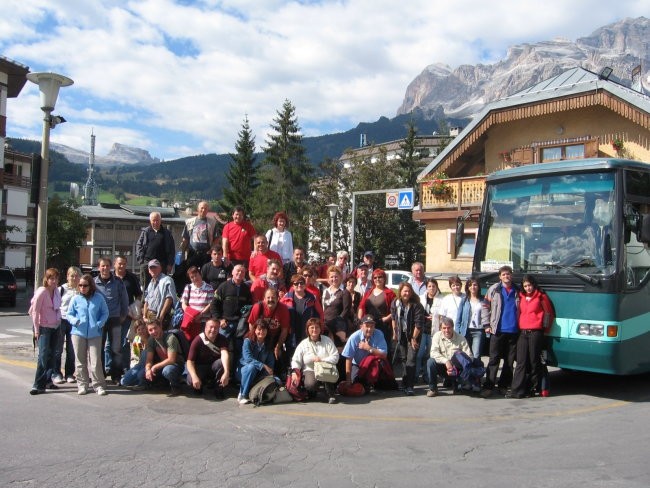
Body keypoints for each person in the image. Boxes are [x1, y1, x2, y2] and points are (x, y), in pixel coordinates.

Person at [509, 275, 554, 398]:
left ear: (533, 285)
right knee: (521, 362)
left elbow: (548, 314)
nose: (528, 288)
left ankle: (532, 388)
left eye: (529, 285)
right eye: (525, 286)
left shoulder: (541, 297)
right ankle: (517, 390)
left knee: (534, 362)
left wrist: (544, 330)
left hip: (536, 333)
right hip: (523, 333)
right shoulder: (521, 297)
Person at [67, 274, 110, 396]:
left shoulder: (98, 298)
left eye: (85, 285)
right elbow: (69, 313)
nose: (82, 288)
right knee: (80, 361)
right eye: (80, 285)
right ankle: (82, 384)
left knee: (95, 361)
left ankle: (99, 385)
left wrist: (99, 324)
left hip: (94, 333)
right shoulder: (75, 299)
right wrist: (75, 321)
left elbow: (105, 313)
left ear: (91, 286)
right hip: (78, 333)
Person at [481, 265, 520, 397]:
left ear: (511, 275)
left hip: (513, 331)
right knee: (494, 360)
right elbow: (485, 307)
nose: (506, 276)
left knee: (509, 362)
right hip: (497, 330)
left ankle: (503, 386)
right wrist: (486, 324)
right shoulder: (494, 289)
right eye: (503, 274)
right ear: (500, 277)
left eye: (508, 274)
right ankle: (489, 386)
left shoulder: (518, 290)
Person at [94, 256, 129, 383]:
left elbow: (124, 300)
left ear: (111, 267)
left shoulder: (118, 282)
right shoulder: (94, 282)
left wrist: (123, 315)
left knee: (116, 349)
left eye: (107, 266)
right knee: (99, 348)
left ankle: (116, 376)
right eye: (102, 266)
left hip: (115, 319)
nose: (105, 268)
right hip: (100, 321)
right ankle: (101, 374)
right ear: (99, 268)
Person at [28, 268, 62, 395]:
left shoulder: (57, 291)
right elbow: (35, 312)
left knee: (52, 356)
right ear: (46, 280)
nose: (54, 281)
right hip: (43, 327)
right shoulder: (42, 292)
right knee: (43, 356)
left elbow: (58, 308)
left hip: (55, 326)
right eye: (51, 278)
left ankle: (48, 381)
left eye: (56, 278)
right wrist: (36, 330)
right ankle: (37, 385)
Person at [290, 318, 340, 404]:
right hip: (310, 369)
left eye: (317, 327)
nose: (314, 330)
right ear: (307, 330)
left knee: (327, 374)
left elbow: (335, 356)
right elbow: (296, 360)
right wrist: (294, 372)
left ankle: (330, 394)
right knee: (310, 385)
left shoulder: (327, 341)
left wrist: (322, 360)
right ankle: (312, 391)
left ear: (320, 329)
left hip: (326, 368)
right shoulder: (303, 343)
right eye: (312, 328)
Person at [426, 316, 474, 397]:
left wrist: (456, 364)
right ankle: (433, 389)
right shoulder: (437, 336)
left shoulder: (461, 338)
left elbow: (470, 356)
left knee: (464, 361)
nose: (446, 330)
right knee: (430, 362)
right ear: (441, 328)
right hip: (442, 365)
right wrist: (446, 361)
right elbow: (433, 353)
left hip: (456, 369)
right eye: (444, 328)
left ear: (453, 327)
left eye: (449, 328)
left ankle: (458, 386)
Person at [390, 282, 425, 395]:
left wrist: (414, 338)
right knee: (404, 359)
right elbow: (394, 318)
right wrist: (395, 333)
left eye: (409, 291)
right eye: (405, 291)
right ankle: (404, 383)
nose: (407, 293)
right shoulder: (396, 303)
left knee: (411, 360)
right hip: (401, 335)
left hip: (413, 335)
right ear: (400, 292)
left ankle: (410, 386)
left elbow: (418, 324)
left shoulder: (416, 305)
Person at [247, 287, 291, 376]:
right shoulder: (258, 307)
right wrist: (256, 340)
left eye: (273, 298)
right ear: (264, 299)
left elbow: (284, 330)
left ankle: (277, 376)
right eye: (268, 298)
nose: (270, 300)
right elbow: (251, 324)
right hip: (259, 337)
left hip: (274, 338)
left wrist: (278, 346)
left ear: (278, 298)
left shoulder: (283, 309)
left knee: (279, 355)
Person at [280, 273, 323, 360]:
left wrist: (319, 329)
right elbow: (280, 313)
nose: (299, 285)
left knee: (306, 356)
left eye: (301, 283)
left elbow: (320, 315)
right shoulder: (286, 298)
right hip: (291, 333)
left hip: (307, 332)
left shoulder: (312, 298)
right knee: (292, 356)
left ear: (305, 284)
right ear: (293, 285)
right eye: (296, 283)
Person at [185, 319, 230, 399]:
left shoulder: (222, 339)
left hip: (214, 367)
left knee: (222, 363)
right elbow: (189, 361)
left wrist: (226, 372)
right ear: (205, 328)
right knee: (191, 379)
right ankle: (199, 386)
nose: (213, 330)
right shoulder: (197, 340)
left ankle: (219, 388)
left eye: (216, 328)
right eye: (211, 327)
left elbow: (224, 354)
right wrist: (194, 376)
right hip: (200, 367)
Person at [341, 315, 389, 390]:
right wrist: (348, 380)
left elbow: (384, 355)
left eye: (372, 326)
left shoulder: (379, 334)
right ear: (361, 327)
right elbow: (348, 358)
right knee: (356, 384)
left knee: (381, 364)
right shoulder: (354, 337)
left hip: (373, 364)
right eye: (367, 326)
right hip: (358, 365)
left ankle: (375, 383)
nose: (369, 329)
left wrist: (368, 348)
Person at [114, 255, 142, 378]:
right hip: (112, 316)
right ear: (115, 264)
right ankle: (111, 368)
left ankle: (124, 367)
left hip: (127, 315)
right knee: (111, 343)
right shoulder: (110, 278)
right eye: (119, 263)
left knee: (124, 343)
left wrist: (133, 308)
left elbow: (139, 296)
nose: (121, 266)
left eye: (124, 264)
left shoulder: (132, 278)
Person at [52, 266, 81, 384]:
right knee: (58, 349)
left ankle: (69, 373)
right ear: (68, 276)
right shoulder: (61, 289)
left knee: (72, 349)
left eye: (77, 276)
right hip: (61, 320)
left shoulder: (81, 289)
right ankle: (56, 373)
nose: (74, 278)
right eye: (72, 275)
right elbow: (55, 305)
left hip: (74, 322)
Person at [237, 319, 275, 404]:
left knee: (275, 379)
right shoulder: (247, 341)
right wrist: (263, 366)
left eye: (264, 329)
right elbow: (248, 359)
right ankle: (242, 394)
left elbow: (270, 362)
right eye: (259, 329)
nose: (261, 332)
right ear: (254, 330)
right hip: (244, 371)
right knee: (252, 367)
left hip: (259, 373)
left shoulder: (268, 344)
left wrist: (270, 372)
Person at [144, 319, 185, 397]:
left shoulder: (170, 338)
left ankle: (176, 386)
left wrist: (155, 367)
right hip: (162, 364)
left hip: (176, 365)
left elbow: (171, 359)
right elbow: (149, 360)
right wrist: (148, 370)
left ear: (160, 327)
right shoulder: (151, 340)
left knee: (168, 371)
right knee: (143, 375)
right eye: (150, 330)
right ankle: (164, 383)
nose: (153, 331)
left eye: (155, 328)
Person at [135, 211, 175, 289]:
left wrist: (170, 264)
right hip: (147, 263)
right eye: (153, 220)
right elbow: (139, 245)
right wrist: (141, 261)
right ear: (150, 221)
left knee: (161, 286)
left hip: (162, 264)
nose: (155, 222)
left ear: (160, 220)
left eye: (157, 220)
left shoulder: (167, 233)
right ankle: (145, 301)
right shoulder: (145, 231)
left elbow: (171, 249)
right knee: (145, 286)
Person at [358, 268, 396, 346]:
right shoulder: (368, 292)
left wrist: (385, 319)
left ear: (384, 278)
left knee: (382, 349)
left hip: (383, 326)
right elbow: (361, 307)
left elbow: (395, 311)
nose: (377, 279)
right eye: (375, 277)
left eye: (380, 277)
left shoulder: (390, 293)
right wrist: (361, 320)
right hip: (368, 325)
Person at [181, 200, 222, 269]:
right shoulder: (189, 222)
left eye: (206, 208)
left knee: (205, 274)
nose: (203, 210)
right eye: (202, 208)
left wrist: (211, 250)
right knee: (190, 274)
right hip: (192, 253)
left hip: (206, 254)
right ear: (198, 209)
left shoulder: (212, 222)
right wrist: (182, 252)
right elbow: (185, 238)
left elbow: (217, 238)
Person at [417, 278, 443, 383]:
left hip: (434, 331)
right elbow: (417, 312)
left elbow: (444, 315)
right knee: (419, 354)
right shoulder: (421, 298)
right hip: (422, 329)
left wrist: (436, 317)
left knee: (430, 354)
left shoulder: (441, 299)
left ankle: (427, 375)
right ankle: (415, 375)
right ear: (426, 288)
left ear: (436, 287)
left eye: (433, 286)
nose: (431, 288)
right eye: (429, 286)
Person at [179, 266, 214, 342]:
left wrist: (199, 315)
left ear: (200, 274)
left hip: (203, 321)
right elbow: (184, 304)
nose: (194, 278)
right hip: (190, 321)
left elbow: (210, 304)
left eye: (196, 275)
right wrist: (191, 315)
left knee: (202, 342)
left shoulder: (209, 288)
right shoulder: (188, 287)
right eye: (192, 277)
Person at [456, 278, 486, 362]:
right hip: (465, 330)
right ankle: (466, 373)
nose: (473, 287)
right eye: (470, 285)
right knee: (465, 354)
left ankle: (476, 373)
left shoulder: (483, 300)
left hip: (478, 330)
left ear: (478, 287)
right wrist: (457, 331)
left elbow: (487, 315)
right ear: (467, 287)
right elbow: (459, 317)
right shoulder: (464, 300)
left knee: (476, 354)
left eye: (475, 285)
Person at [322, 265, 352, 348]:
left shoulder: (344, 292)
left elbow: (346, 310)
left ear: (340, 277)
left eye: (336, 276)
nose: (334, 279)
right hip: (326, 326)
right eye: (331, 277)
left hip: (339, 327)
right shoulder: (325, 292)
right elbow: (324, 309)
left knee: (339, 350)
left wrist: (336, 324)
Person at [142, 259, 178, 328]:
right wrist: (144, 316)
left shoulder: (166, 280)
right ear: (149, 271)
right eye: (151, 268)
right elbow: (146, 301)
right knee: (151, 337)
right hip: (148, 315)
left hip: (160, 315)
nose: (153, 269)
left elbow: (169, 299)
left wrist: (161, 316)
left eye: (155, 267)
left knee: (161, 336)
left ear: (160, 268)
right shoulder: (150, 283)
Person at [120, 318, 149, 390]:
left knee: (140, 375)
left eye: (143, 328)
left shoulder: (151, 339)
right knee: (123, 381)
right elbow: (136, 357)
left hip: (149, 364)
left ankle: (143, 383)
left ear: (146, 328)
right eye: (139, 329)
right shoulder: (136, 340)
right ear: (136, 331)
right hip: (139, 364)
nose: (141, 331)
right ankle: (139, 379)